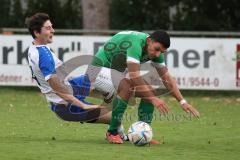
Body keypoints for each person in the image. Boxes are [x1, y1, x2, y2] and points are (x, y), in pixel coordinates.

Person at [89, 30, 200, 144]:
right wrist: (153, 99)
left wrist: (182, 101)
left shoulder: (156, 50)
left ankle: (143, 133)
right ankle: (112, 132)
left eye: (162, 52)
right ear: (149, 41)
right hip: (97, 70)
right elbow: (134, 75)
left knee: (149, 90)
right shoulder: (135, 44)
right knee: (127, 87)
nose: (157, 54)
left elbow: (167, 78)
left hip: (116, 71)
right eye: (157, 49)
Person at [25, 13, 112, 126]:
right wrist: (83, 105)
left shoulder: (34, 48)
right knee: (114, 118)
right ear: (36, 32)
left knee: (97, 77)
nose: (52, 30)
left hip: (68, 90)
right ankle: (114, 133)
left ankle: (115, 97)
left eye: (51, 26)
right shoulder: (43, 56)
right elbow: (58, 89)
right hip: (65, 106)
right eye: (48, 28)